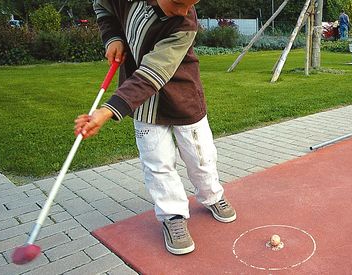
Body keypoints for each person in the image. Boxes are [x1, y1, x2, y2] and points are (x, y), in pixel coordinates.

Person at [76, 0, 236, 255]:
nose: (186, 12)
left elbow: (154, 71)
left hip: (183, 95)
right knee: (157, 161)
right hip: (143, 103)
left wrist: (108, 110)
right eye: (178, 3)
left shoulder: (185, 22)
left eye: (191, 4)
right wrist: (113, 37)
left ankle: (212, 195)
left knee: (201, 156)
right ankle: (172, 216)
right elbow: (101, 6)